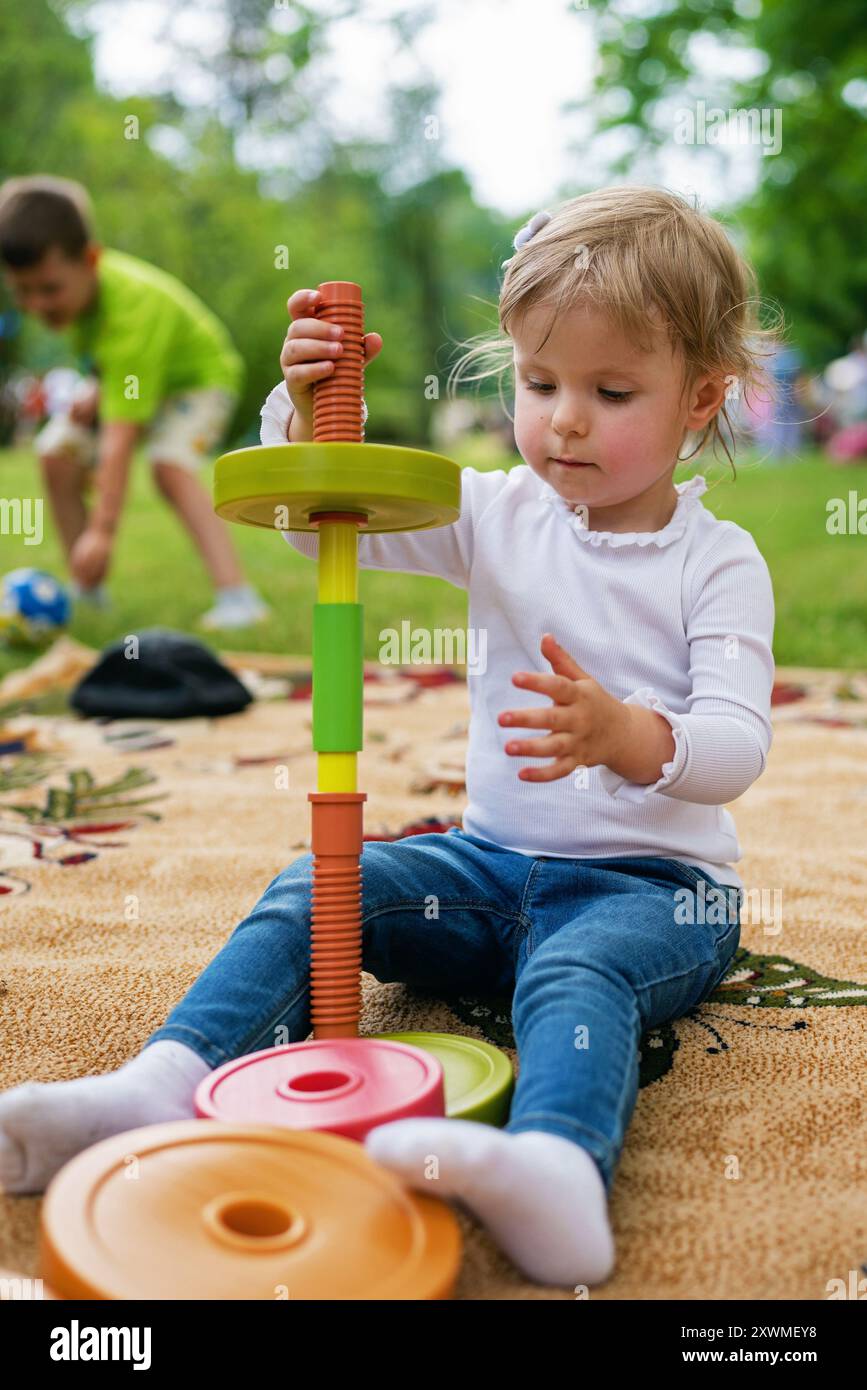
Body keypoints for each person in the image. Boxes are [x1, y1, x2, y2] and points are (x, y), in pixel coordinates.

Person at [0, 186, 777, 1290]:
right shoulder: (497, 510)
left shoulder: (717, 561)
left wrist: (625, 734)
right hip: (489, 867)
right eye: (539, 381)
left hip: (653, 889)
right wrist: (303, 401)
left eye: (611, 392)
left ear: (703, 397)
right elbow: (339, 521)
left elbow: (739, 748)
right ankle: (165, 1080)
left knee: (578, 970)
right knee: (325, 881)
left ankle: (556, 1169)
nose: (562, 418)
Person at [0, 175, 269, 629]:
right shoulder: (81, 301)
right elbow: (114, 369)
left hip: (199, 380)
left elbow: (119, 445)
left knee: (169, 466)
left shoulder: (132, 310)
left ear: (90, 260)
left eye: (48, 288)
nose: (36, 305)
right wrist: (98, 388)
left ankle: (239, 598)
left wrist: (103, 532)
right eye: (22, 291)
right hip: (140, 379)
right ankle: (87, 590)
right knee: (55, 453)